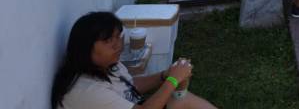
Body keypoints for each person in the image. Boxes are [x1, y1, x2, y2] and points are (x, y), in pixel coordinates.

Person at [51, 11, 217, 109]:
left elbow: (130, 85)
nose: (117, 45)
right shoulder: (85, 90)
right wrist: (173, 80)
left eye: (118, 37)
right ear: (85, 47)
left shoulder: (105, 65)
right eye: (108, 41)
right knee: (179, 98)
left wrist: (164, 75)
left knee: (181, 98)